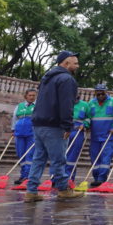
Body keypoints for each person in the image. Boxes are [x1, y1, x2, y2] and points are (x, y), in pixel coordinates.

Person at [25, 50, 83, 202]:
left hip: (39, 124)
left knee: (38, 158)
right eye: (75, 63)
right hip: (54, 125)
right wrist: (67, 126)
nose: (77, 66)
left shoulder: (47, 78)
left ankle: (31, 191)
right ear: (66, 63)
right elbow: (66, 105)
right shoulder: (66, 79)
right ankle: (63, 189)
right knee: (58, 159)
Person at [87, 83, 113, 187]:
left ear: (105, 92)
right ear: (95, 93)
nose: (100, 95)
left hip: (108, 136)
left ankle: (102, 179)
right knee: (94, 157)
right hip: (95, 136)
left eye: (102, 92)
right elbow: (87, 117)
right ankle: (96, 178)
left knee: (105, 158)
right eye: (97, 93)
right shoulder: (91, 103)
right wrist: (86, 125)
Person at [12, 88, 37, 184]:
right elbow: (14, 118)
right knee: (21, 154)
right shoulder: (20, 106)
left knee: (29, 155)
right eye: (30, 95)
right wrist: (13, 130)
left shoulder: (38, 106)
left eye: (33, 95)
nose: (31, 97)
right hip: (19, 133)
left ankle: (27, 176)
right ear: (26, 96)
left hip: (32, 133)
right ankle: (22, 175)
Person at [65, 92, 90, 182]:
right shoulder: (63, 103)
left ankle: (69, 177)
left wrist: (85, 124)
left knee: (73, 156)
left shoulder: (85, 105)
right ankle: (56, 177)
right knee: (60, 155)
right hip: (64, 130)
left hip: (78, 131)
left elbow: (88, 118)